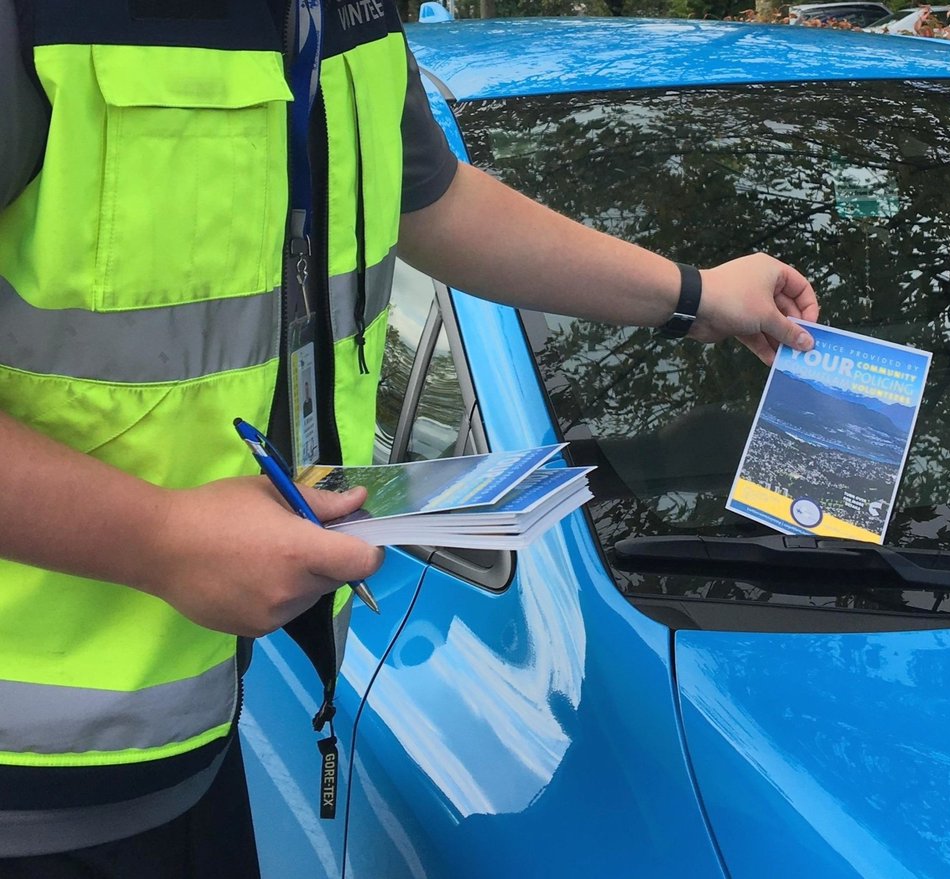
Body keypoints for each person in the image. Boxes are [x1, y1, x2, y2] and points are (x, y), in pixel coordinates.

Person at [0, 1, 818, 876]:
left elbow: (432, 202)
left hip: (193, 737)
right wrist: (158, 539)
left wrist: (691, 294)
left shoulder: (341, 12)